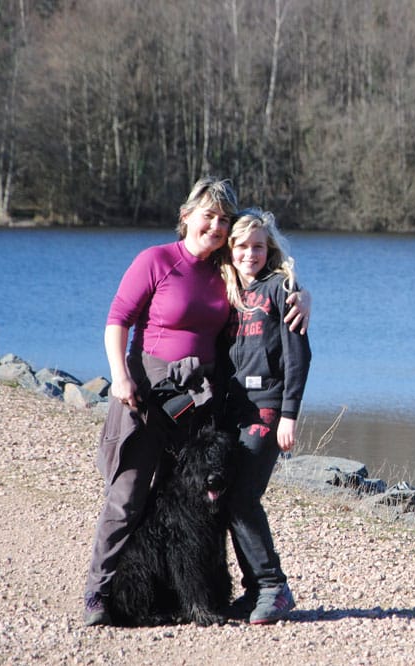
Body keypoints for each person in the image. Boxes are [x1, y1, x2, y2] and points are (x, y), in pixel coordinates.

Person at [83, 177, 309, 626]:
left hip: (198, 403)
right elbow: (117, 319)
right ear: (186, 216)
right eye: (209, 215)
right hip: (146, 394)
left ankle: (185, 595)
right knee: (127, 497)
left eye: (224, 219)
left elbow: (264, 276)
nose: (217, 225)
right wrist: (120, 377)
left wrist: (300, 295)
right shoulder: (156, 259)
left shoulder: (222, 270)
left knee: (186, 505)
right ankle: (99, 592)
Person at [220, 208, 311, 624]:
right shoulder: (226, 289)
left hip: (269, 406)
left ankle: (274, 587)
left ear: (269, 248)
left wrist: (289, 415)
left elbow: (299, 356)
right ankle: (254, 589)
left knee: (242, 496)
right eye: (241, 246)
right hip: (232, 409)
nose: (250, 253)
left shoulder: (281, 289)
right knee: (226, 497)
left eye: (258, 246)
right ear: (230, 249)